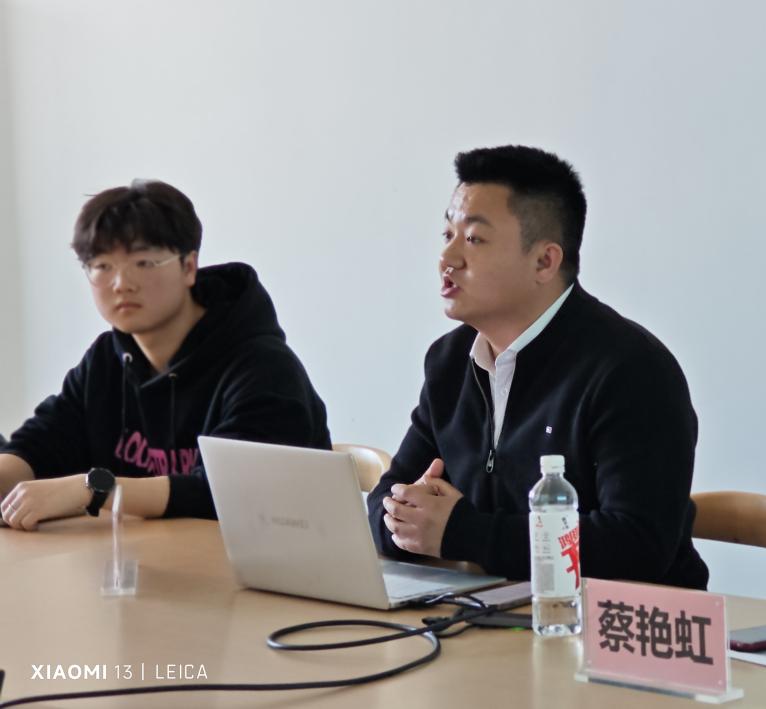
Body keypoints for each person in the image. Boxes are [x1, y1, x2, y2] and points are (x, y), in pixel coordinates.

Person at [368, 145, 708, 589]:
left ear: (545, 261)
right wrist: (406, 521)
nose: (447, 258)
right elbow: (384, 498)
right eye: (447, 234)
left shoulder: (631, 370)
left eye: (474, 239)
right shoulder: (449, 362)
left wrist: (465, 533)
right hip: (489, 612)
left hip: (619, 622)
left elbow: (637, 544)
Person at [0, 179, 331, 529]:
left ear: (189, 267)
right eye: (102, 266)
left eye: (143, 263)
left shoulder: (263, 367)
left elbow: (232, 494)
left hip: (262, 559)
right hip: (145, 558)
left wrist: (95, 490)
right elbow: (41, 444)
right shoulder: (106, 359)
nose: (121, 283)